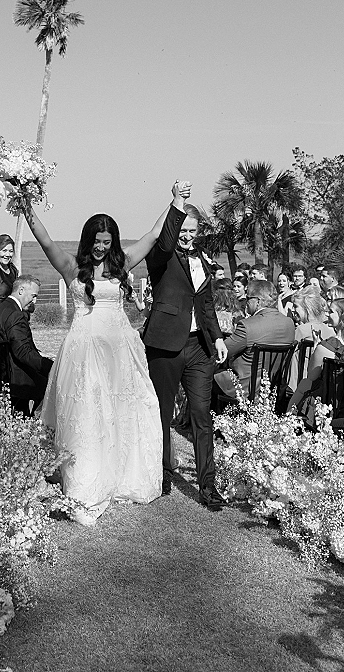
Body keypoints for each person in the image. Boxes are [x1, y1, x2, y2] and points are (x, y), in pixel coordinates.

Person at [25, 184, 188, 524]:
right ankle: (86, 477)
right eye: (96, 242)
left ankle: (123, 474)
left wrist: (175, 201)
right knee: (86, 411)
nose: (101, 248)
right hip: (83, 349)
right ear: (88, 241)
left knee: (124, 408)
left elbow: (154, 233)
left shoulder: (123, 263)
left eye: (106, 242)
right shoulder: (71, 266)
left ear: (113, 242)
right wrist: (25, 205)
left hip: (119, 348)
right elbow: (45, 240)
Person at [143, 197, 227, 511]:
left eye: (192, 230)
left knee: (202, 417)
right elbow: (165, 242)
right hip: (165, 344)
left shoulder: (202, 260)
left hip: (199, 348)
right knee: (162, 414)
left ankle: (208, 487)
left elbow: (206, 304)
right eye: (182, 228)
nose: (187, 235)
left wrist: (216, 337)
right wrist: (176, 203)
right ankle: (161, 475)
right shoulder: (160, 256)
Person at [0, 274, 53, 416]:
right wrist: (50, 367)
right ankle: (32, 423)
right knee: (52, 382)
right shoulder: (15, 315)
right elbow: (22, 352)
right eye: (33, 295)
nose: (34, 300)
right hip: (15, 379)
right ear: (21, 290)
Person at [216, 279, 295, 399]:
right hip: (274, 387)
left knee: (204, 379)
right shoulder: (289, 323)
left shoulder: (247, 325)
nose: (246, 302)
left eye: (248, 298)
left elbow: (223, 351)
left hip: (244, 387)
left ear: (257, 301)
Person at [287, 298, 344, 412]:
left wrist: (316, 348)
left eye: (331, 311)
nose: (327, 314)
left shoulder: (326, 347)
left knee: (305, 383)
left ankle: (289, 418)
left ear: (342, 317)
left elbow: (312, 376)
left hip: (327, 401)